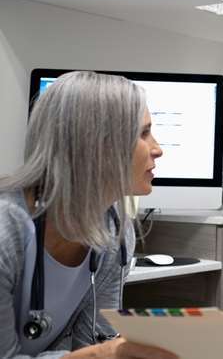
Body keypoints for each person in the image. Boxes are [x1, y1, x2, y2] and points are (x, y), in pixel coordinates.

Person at [0, 71, 176, 358]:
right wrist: (106, 353)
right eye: (143, 133)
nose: (158, 149)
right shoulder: (5, 232)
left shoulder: (115, 234)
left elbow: (91, 344)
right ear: (97, 145)